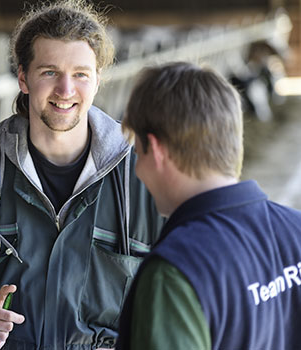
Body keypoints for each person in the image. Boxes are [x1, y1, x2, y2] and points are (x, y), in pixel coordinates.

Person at [0, 1, 163, 349]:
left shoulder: (148, 173)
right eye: (49, 72)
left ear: (97, 80)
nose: (65, 90)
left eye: (80, 74)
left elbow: (186, 281)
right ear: (23, 78)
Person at [116, 61, 301, 350]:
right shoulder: (296, 229)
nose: (137, 171)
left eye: (138, 154)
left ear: (158, 150)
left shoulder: (176, 271)